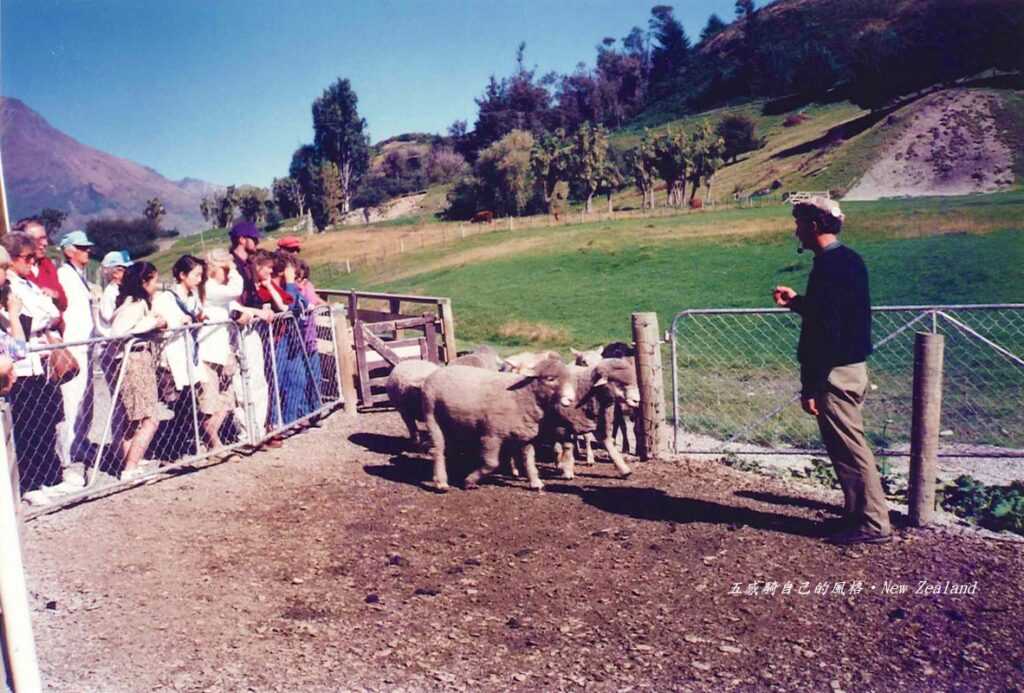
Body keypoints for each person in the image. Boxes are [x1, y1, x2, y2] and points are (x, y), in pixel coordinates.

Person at [773, 196, 892, 546]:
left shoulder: (829, 267)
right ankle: (856, 517)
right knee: (845, 448)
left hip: (834, 371)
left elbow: (825, 332)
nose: (795, 230)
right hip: (848, 367)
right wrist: (796, 302)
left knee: (851, 448)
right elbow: (831, 316)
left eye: (799, 223)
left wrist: (809, 384)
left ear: (813, 226)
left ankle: (873, 523)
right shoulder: (847, 260)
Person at [2, 233, 65, 502]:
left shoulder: (21, 287)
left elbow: (50, 312)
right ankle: (27, 484)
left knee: (42, 423)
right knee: (23, 428)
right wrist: (19, 318)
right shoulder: (12, 291)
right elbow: (32, 322)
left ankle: (42, 479)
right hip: (18, 370)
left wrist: (21, 318)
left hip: (27, 363)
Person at [112, 262, 167, 480]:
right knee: (149, 419)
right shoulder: (133, 305)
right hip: (133, 361)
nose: (156, 285)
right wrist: (153, 322)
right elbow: (118, 333)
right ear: (144, 282)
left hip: (139, 358)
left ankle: (130, 464)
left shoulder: (138, 304)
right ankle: (130, 468)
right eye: (154, 280)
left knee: (134, 419)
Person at [152, 255, 208, 458]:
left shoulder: (193, 298)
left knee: (188, 405)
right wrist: (178, 322)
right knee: (174, 405)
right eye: (196, 275)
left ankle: (180, 448)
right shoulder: (165, 298)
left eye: (201, 275)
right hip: (172, 358)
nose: (199, 279)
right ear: (183, 275)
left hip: (188, 356)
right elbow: (160, 326)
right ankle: (167, 452)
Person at [228, 221, 277, 447]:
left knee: (258, 380)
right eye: (253, 239)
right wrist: (254, 310)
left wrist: (262, 307)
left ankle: (257, 429)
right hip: (238, 328)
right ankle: (246, 433)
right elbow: (233, 302)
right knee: (242, 382)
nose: (256, 243)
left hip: (252, 325)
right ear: (242, 239)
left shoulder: (248, 266)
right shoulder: (231, 266)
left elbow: (252, 296)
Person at [55, 230, 98, 482]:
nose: (87, 251)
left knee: (86, 401)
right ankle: (69, 456)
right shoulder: (64, 275)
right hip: (73, 346)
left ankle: (80, 444)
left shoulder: (79, 276)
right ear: (69, 250)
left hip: (85, 346)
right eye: (82, 247)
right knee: (72, 403)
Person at [13, 218, 68, 315]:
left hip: (54, 328)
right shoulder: (16, 268)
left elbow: (64, 303)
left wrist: (55, 295)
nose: (45, 243)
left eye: (45, 238)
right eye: (38, 239)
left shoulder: (47, 265)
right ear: (22, 242)